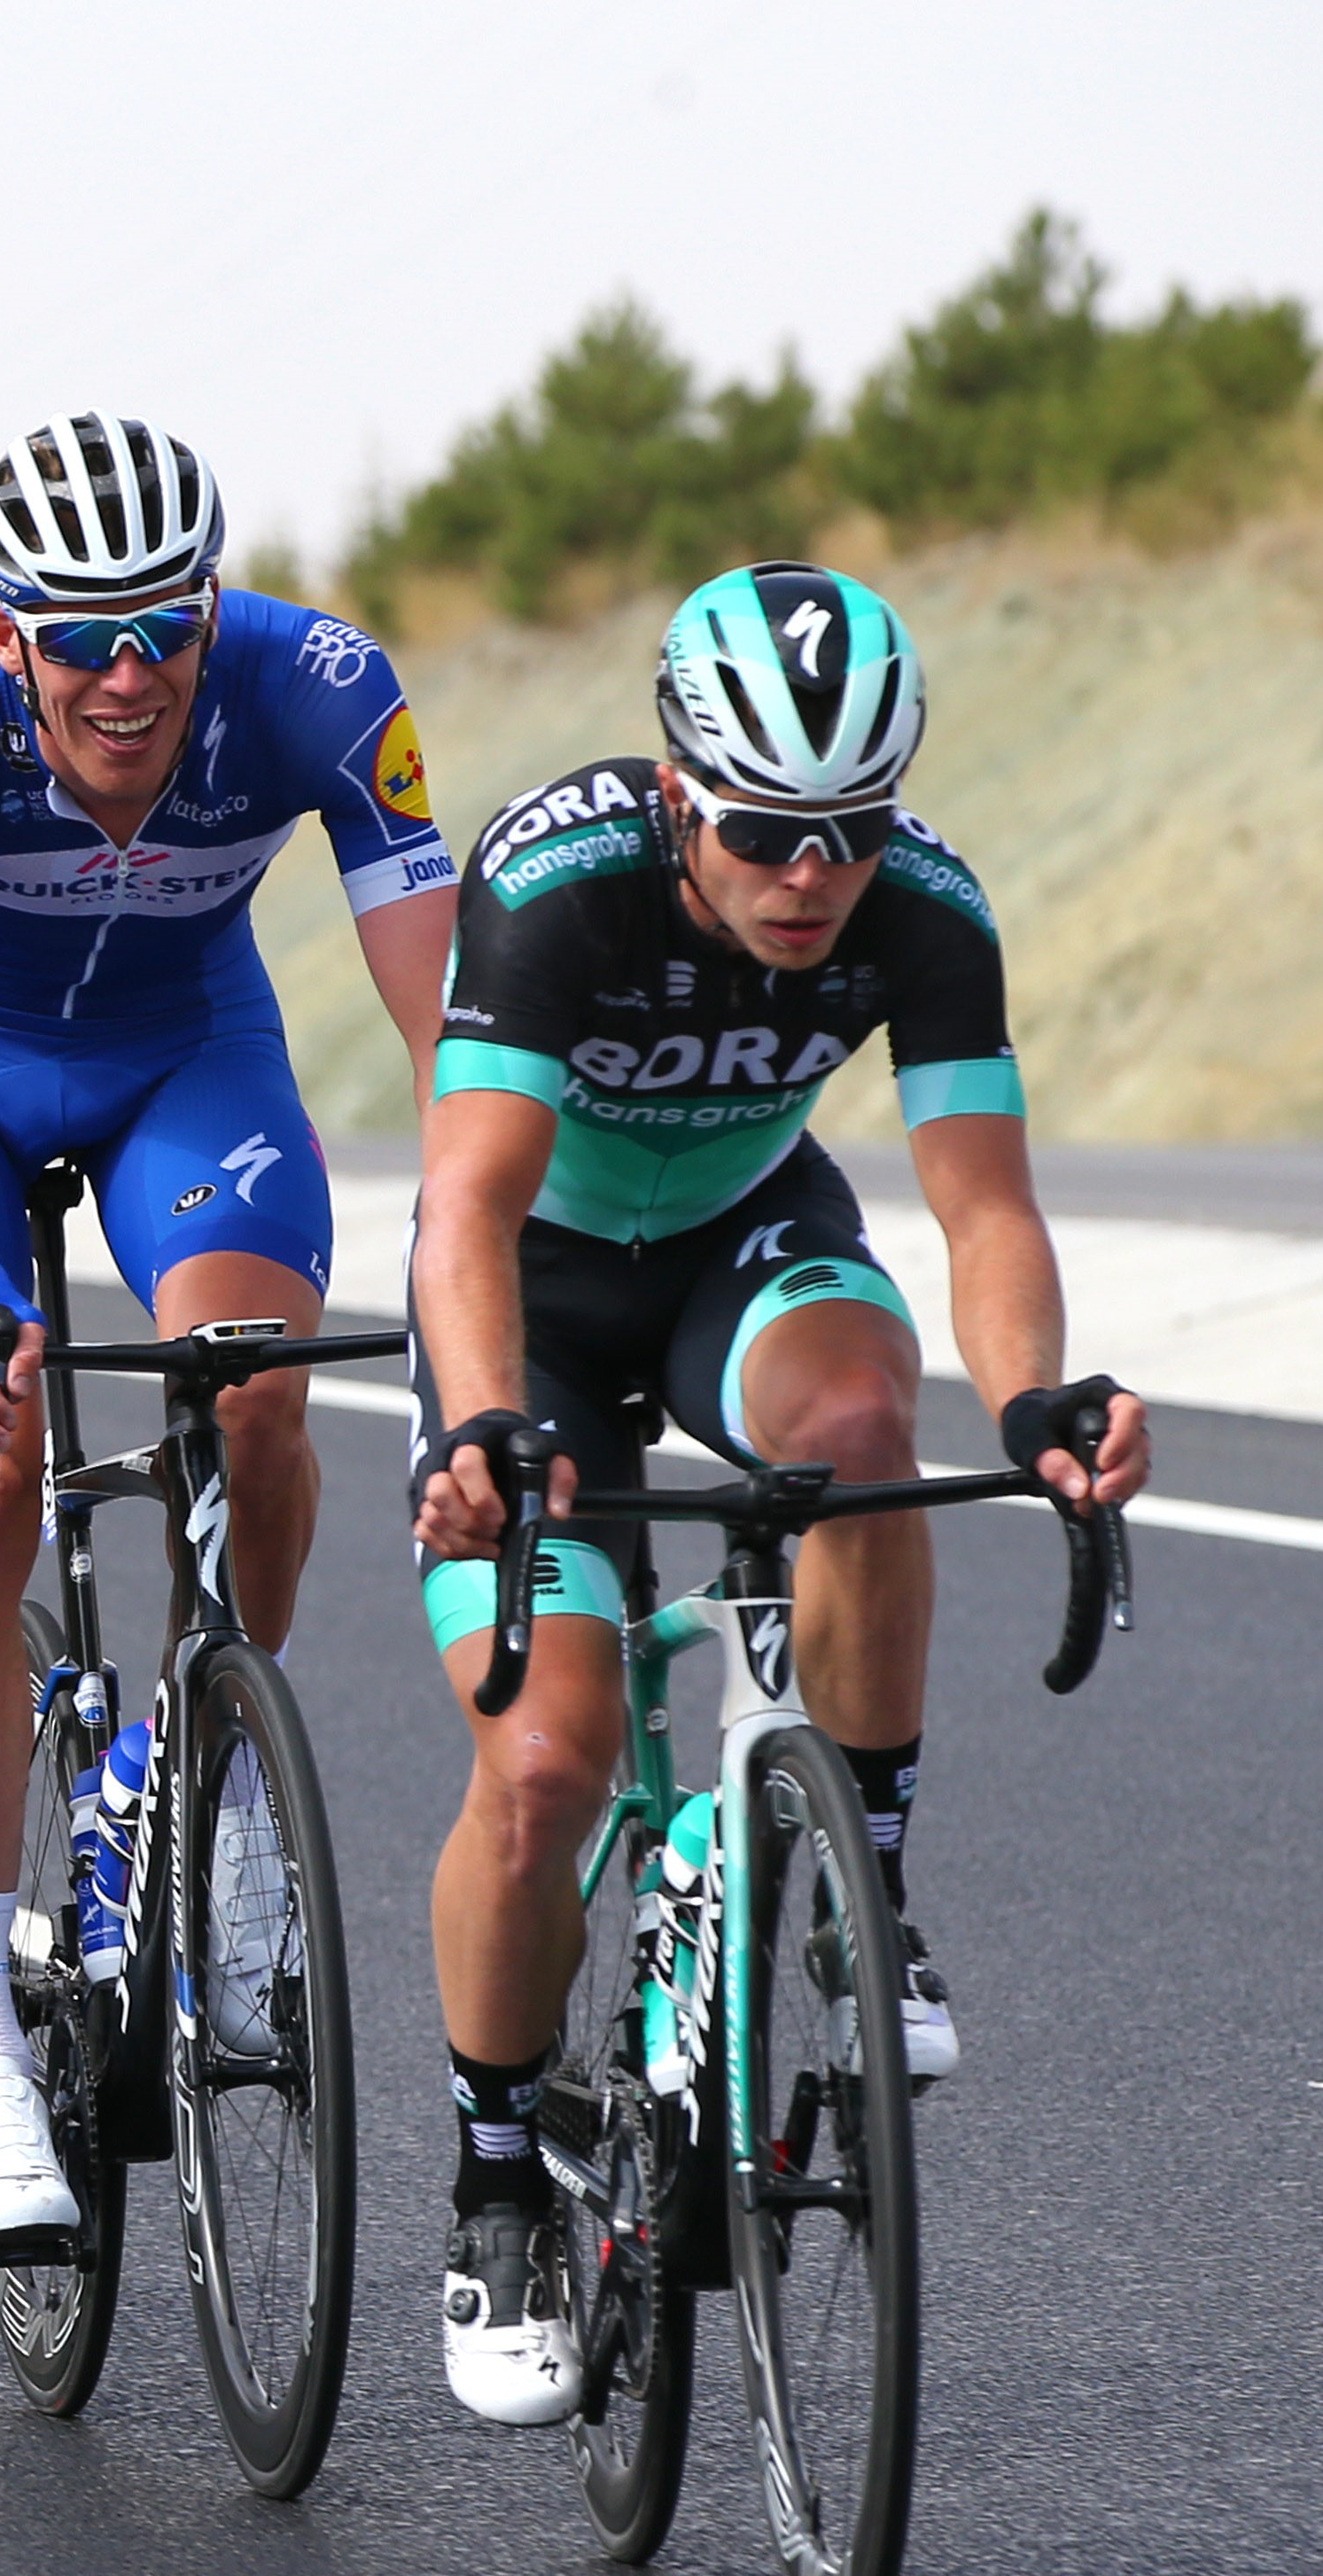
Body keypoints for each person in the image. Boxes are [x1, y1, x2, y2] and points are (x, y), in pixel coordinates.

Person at [403, 561, 1153, 2422]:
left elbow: (983, 1207)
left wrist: (1044, 1393)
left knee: (869, 1443)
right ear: (677, 791)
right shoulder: (555, 880)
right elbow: (470, 1206)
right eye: (765, 833)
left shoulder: (926, 906)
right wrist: (483, 1427)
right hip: (542, 1306)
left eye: (849, 832)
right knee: (548, 1764)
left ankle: (865, 1883)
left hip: (743, 1241)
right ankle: (495, 2173)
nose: (811, 876)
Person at [0, 411, 460, 2250]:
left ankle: (215, 1781)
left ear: (209, 613)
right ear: (4, 636)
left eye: (161, 629)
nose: (127, 674)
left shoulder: (322, 687)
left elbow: (451, 1040)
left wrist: (479, 1246)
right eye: (77, 636)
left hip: (191, 1053)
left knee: (258, 1400)